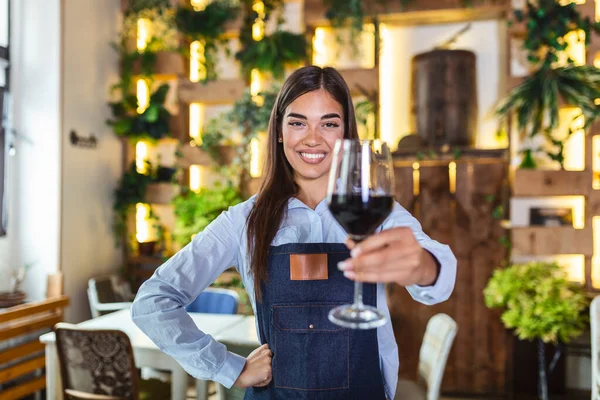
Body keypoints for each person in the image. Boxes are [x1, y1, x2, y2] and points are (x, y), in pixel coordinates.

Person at [131, 65, 457, 400]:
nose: (312, 138)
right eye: (298, 122)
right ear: (280, 132)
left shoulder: (375, 213)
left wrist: (422, 265)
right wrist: (228, 366)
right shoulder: (244, 221)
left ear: (346, 135)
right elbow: (153, 301)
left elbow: (440, 280)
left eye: (329, 124)